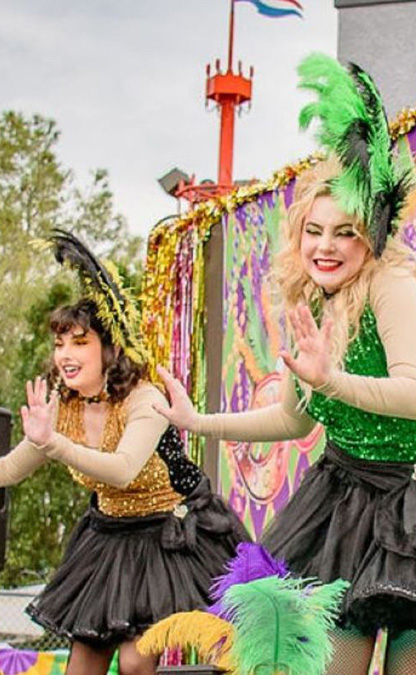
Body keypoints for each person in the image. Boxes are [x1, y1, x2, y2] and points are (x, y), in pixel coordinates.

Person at [152, 55, 416, 675]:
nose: (325, 246)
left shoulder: (390, 288)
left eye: (344, 232)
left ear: (369, 236)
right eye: (314, 231)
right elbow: (292, 420)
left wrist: (329, 379)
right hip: (343, 503)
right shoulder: (315, 301)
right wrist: (196, 420)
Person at [0, 232, 249, 675]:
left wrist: (53, 443)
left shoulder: (144, 399)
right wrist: (44, 438)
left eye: (79, 342)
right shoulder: (62, 404)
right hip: (107, 539)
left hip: (171, 537)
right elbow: (10, 469)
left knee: (136, 662)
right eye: (59, 344)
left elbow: (122, 469)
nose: (65, 355)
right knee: (82, 667)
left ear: (109, 348)